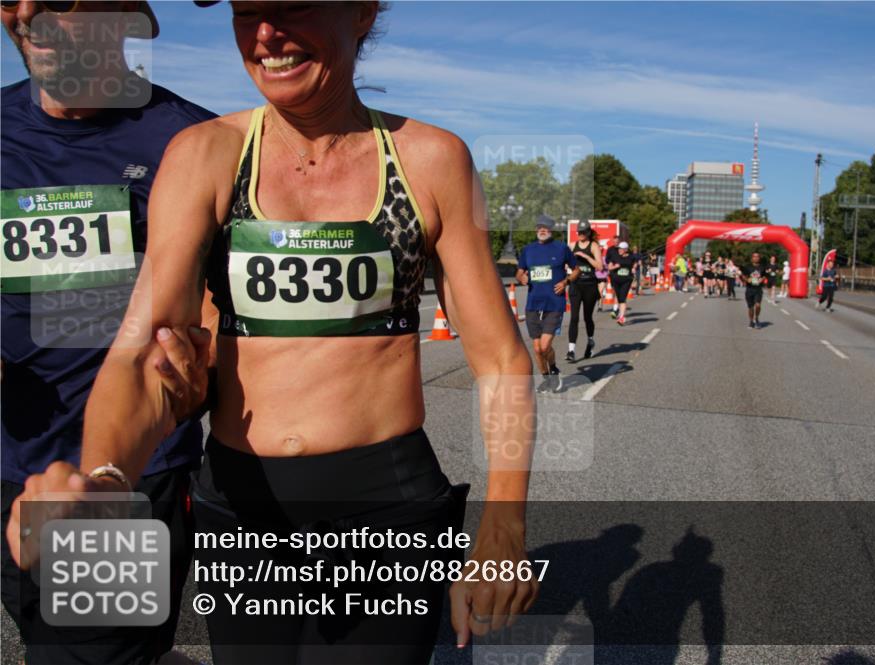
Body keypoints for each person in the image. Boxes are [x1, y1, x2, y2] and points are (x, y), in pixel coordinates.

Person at [9, 3, 539, 663]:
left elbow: (500, 360)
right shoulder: (206, 153)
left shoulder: (431, 159)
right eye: (248, 11)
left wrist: (504, 524)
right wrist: (105, 479)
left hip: (386, 504)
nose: (266, 33)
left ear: (361, 12)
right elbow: (144, 347)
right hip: (241, 505)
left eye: (291, 5)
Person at [1, 2, 217, 663]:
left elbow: (222, 307)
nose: (27, 14)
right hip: (10, 463)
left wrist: (204, 364)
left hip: (125, 474)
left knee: (94, 654)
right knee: (43, 639)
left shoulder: (189, 142)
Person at [518, 215, 578, 391]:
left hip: (554, 303)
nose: (542, 230)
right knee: (537, 349)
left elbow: (576, 270)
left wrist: (566, 282)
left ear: (551, 229)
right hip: (533, 304)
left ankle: (554, 370)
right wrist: (521, 277)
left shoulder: (561, 248)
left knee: (545, 346)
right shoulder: (528, 250)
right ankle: (546, 377)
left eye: (545, 227)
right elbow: (519, 272)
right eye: (539, 227)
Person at [565, 220, 602, 363]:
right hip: (576, 285)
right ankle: (571, 351)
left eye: (583, 232)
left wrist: (586, 256)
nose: (580, 234)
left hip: (590, 285)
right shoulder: (571, 245)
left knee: (587, 317)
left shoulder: (593, 246)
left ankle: (590, 341)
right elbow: (564, 262)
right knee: (574, 317)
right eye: (578, 232)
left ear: (588, 232)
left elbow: (599, 266)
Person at [606, 240, 636, 325]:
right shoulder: (615, 257)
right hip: (616, 280)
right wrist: (615, 266)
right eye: (619, 248)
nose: (619, 250)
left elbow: (635, 264)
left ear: (626, 249)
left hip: (626, 281)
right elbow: (609, 267)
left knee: (622, 298)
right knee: (618, 297)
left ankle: (621, 317)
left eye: (621, 249)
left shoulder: (631, 257)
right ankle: (618, 311)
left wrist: (633, 268)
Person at [741, 252, 767, 329]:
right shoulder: (747, 267)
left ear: (759, 258)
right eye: (754, 257)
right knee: (751, 307)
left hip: (758, 289)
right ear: (752, 258)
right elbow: (743, 275)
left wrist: (762, 279)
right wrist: (747, 280)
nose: (756, 258)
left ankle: (756, 319)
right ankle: (751, 321)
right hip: (749, 289)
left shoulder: (762, 267)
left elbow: (765, 275)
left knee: (758, 305)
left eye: (757, 256)